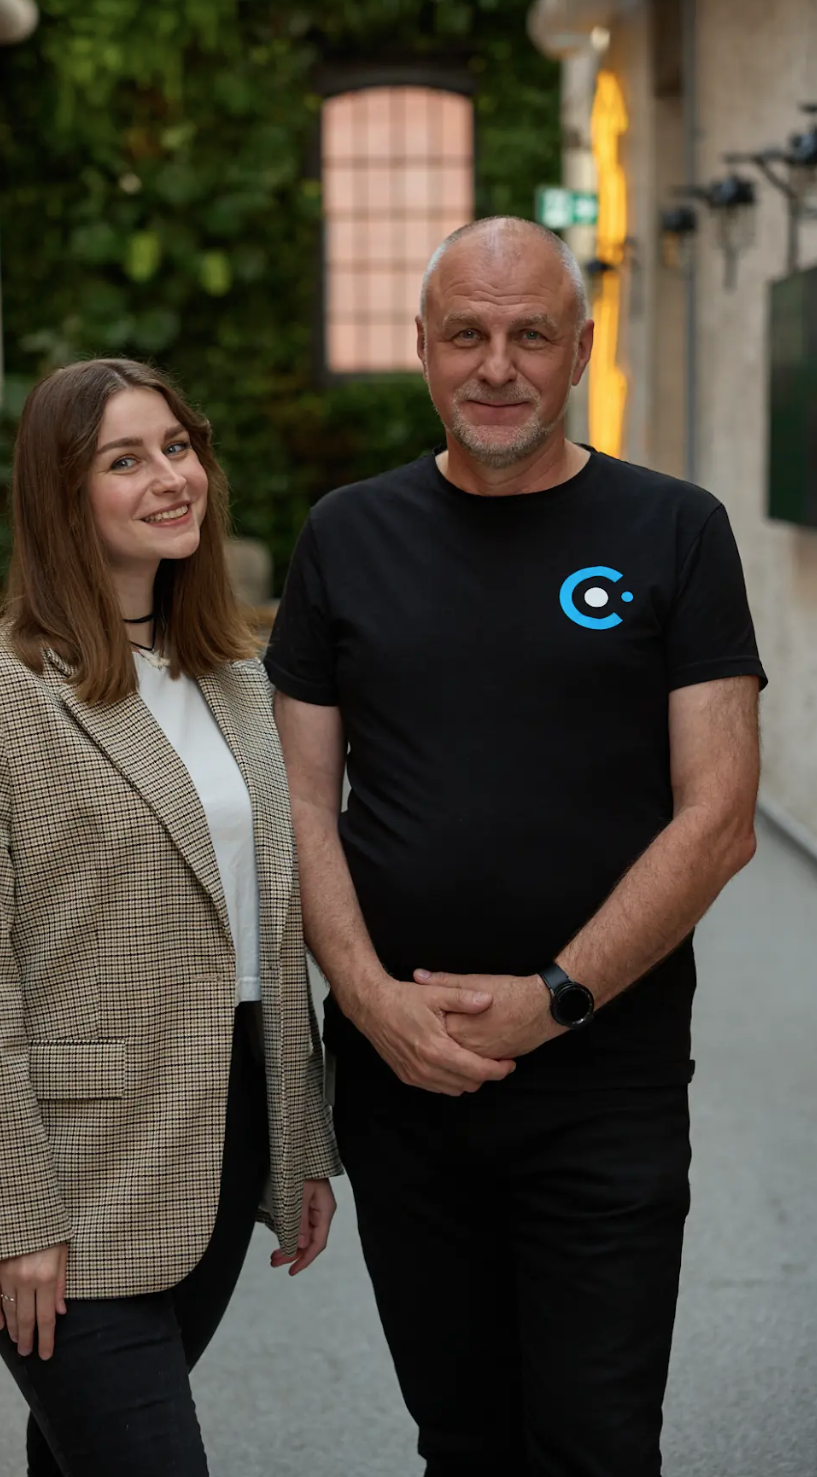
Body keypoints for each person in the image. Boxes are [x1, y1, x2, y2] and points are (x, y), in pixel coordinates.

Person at [266, 217, 765, 1477]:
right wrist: (371, 1004)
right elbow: (297, 801)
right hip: (401, 1078)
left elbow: (716, 816)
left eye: (528, 334)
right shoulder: (345, 534)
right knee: (461, 1434)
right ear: (421, 350)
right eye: (466, 335)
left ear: (579, 348)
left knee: (594, 1438)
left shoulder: (674, 530)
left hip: (605, 1070)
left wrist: (554, 999)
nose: (497, 365)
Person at [0, 357, 339, 1477]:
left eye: (178, 448)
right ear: (63, 493)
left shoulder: (238, 676)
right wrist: (6, 1218)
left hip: (224, 1139)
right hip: (73, 1176)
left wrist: (301, 1140)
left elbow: (266, 933)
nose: (168, 478)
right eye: (124, 459)